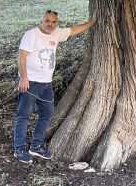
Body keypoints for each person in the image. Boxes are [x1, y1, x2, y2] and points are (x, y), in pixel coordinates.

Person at [13, 10, 98, 163]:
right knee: (23, 115)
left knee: (46, 113)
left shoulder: (56, 33)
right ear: (41, 21)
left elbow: (75, 30)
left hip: (46, 83)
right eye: (47, 21)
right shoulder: (31, 35)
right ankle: (19, 148)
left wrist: (92, 22)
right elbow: (21, 56)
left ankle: (36, 146)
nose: (50, 24)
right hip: (30, 83)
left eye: (53, 22)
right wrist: (24, 78)